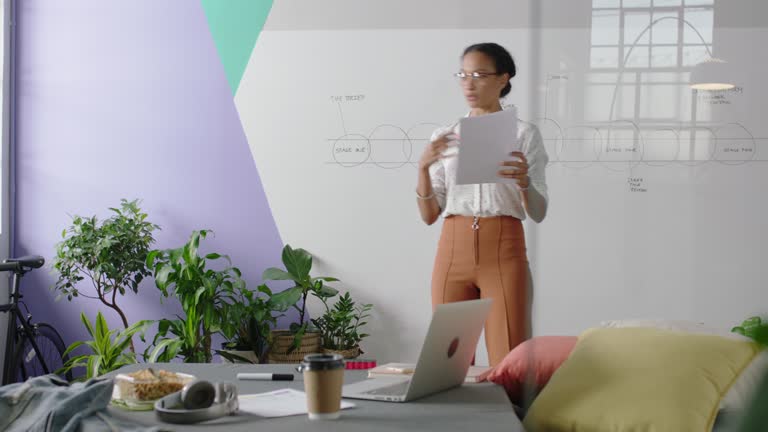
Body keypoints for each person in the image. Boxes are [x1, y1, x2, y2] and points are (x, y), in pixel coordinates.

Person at [415, 42, 549, 366]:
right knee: (447, 361)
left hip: (503, 248)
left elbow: (539, 212)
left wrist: (524, 182)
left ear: (503, 79)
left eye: (479, 75)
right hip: (452, 248)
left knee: (509, 357)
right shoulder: (445, 135)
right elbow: (429, 215)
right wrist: (422, 168)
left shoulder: (524, 134)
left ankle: (512, 417)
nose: (469, 84)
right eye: (463, 75)